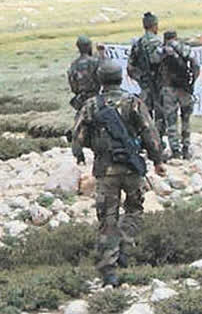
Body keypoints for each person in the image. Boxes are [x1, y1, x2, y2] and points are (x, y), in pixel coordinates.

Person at [71, 60, 165, 287]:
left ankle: (109, 271)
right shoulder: (132, 102)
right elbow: (150, 133)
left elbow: (78, 138)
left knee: (107, 219)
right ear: (121, 78)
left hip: (105, 171)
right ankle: (124, 243)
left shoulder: (91, 105)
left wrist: (80, 154)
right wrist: (158, 160)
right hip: (132, 168)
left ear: (100, 80)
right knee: (134, 209)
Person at [153, 30, 199, 159]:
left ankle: (175, 150)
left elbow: (154, 64)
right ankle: (186, 148)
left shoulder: (161, 51)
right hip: (184, 88)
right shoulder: (185, 48)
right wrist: (192, 82)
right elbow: (196, 65)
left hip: (168, 88)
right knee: (186, 119)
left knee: (171, 120)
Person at [127, 12, 165, 138]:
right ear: (154, 26)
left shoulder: (138, 44)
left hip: (145, 85)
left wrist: (140, 79)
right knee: (160, 115)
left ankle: (148, 141)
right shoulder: (158, 42)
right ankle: (158, 141)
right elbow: (161, 62)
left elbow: (130, 67)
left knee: (145, 116)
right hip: (158, 84)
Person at [67, 36, 101, 114]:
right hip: (96, 99)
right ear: (89, 46)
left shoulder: (73, 65)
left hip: (81, 101)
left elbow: (73, 87)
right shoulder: (96, 62)